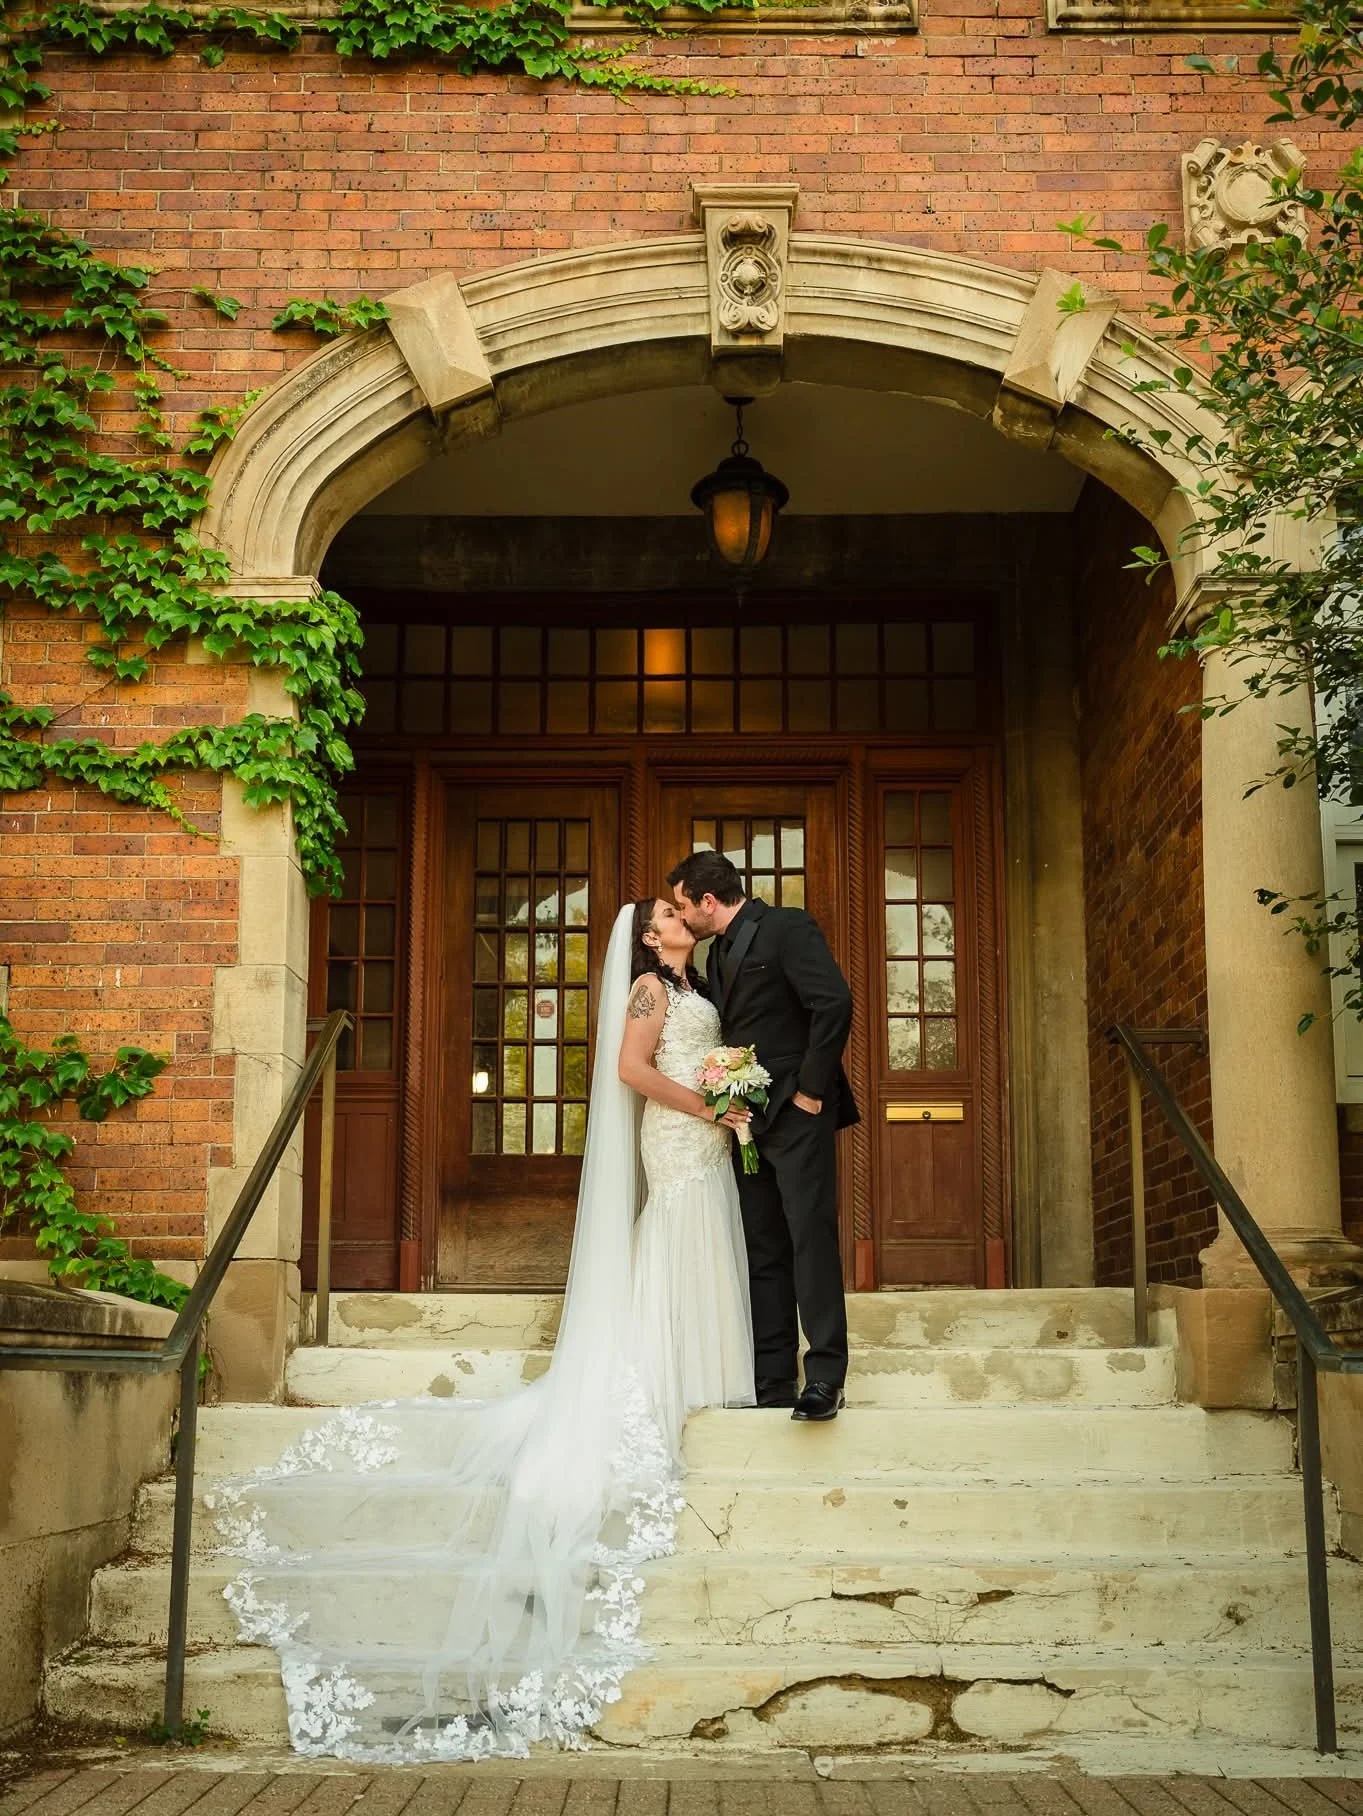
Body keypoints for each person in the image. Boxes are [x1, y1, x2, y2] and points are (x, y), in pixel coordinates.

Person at [213, 899, 754, 1762]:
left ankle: (692, 1370)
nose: (677, 914)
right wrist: (705, 1105)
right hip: (679, 1133)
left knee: (691, 1242)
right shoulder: (651, 991)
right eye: (664, 913)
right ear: (653, 939)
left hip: (704, 1136)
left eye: (677, 908)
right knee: (673, 1238)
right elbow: (628, 1068)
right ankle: (657, 1377)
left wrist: (731, 1090)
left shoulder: (698, 982)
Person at [669, 850, 857, 1422]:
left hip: (798, 1114)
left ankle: (824, 1377)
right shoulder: (716, 953)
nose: (681, 917)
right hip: (746, 1121)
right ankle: (772, 1379)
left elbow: (833, 1002)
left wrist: (810, 1092)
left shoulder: (787, 927)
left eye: (683, 905)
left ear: (707, 901)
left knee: (809, 1239)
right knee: (763, 1249)